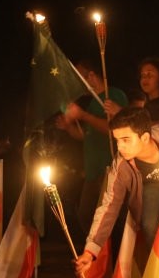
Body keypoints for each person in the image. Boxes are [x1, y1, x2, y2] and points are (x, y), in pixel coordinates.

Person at [73, 106, 159, 278]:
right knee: (150, 224)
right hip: (150, 192)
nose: (120, 146)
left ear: (145, 137)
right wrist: (90, 251)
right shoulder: (121, 166)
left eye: (126, 139)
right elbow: (108, 206)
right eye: (117, 140)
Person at [55, 58, 129, 234]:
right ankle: (102, 256)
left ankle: (111, 257)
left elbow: (114, 130)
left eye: (79, 77)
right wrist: (69, 127)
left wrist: (82, 115)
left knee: (106, 219)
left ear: (91, 75)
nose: (77, 83)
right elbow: (85, 136)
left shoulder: (113, 95)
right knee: (87, 216)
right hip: (92, 171)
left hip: (108, 168)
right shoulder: (92, 103)